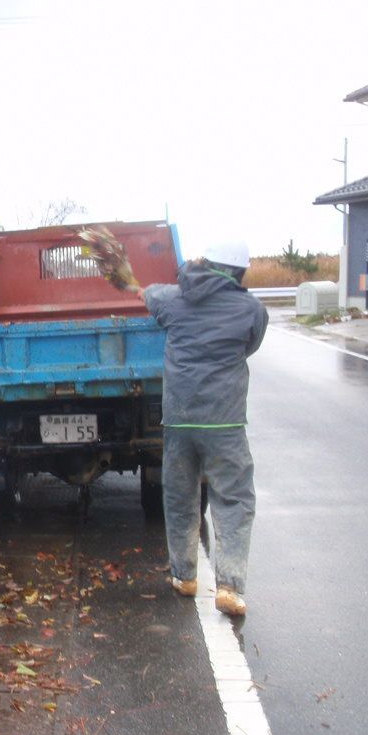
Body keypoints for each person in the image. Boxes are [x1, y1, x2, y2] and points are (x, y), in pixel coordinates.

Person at [140, 241, 268, 618]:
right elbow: (250, 345)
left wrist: (143, 289)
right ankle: (229, 585)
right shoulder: (251, 309)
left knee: (180, 497)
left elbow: (149, 295)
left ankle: (184, 576)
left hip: (179, 418)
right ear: (238, 273)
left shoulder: (172, 300)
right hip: (225, 420)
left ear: (203, 263)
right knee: (234, 499)